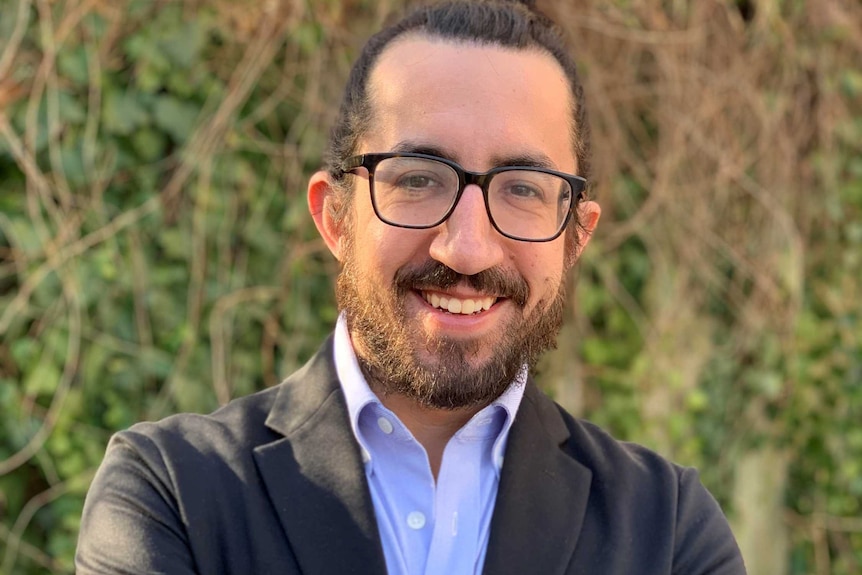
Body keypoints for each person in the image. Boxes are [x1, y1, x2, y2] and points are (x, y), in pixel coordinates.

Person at [76, 1, 747, 573]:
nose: (467, 247)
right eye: (419, 178)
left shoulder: (669, 533)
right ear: (334, 215)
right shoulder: (173, 495)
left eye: (522, 189)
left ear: (577, 236)